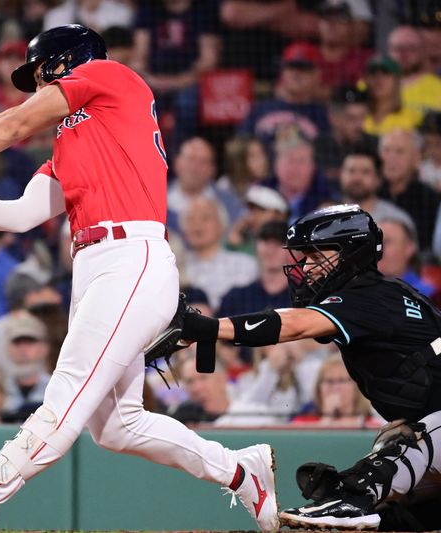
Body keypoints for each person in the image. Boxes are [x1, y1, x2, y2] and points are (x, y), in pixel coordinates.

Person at [0, 24, 278, 532]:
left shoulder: (111, 76)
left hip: (131, 255)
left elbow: (12, 125)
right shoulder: (76, 141)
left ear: (67, 60)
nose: (37, 84)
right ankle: (239, 472)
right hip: (95, 265)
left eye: (41, 72)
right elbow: (23, 214)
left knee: (67, 393)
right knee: (118, 426)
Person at [148, 204, 441, 530]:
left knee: (402, 452)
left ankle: (351, 500)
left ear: (352, 254)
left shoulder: (370, 296)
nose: (306, 267)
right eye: (303, 258)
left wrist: (209, 327)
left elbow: (296, 325)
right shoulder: (380, 294)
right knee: (399, 497)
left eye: (316, 257)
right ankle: (364, 508)